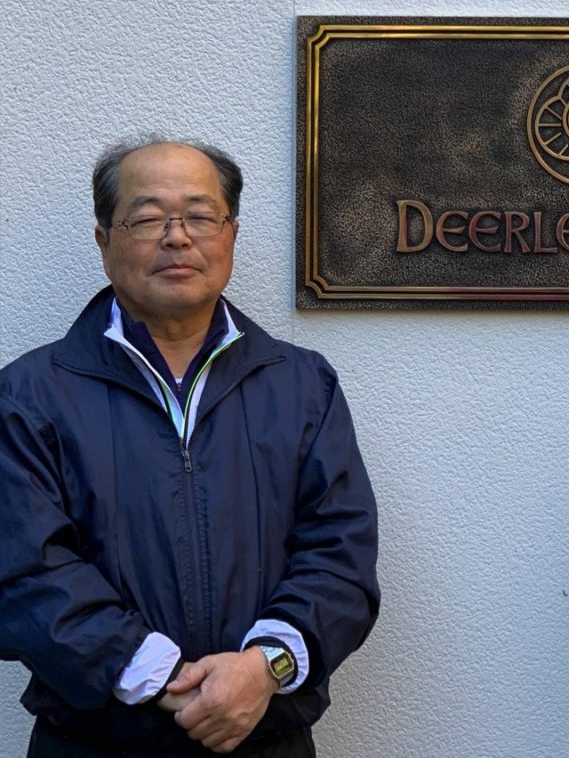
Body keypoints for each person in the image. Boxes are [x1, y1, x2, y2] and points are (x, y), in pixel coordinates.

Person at [0, 139, 380, 757]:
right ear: (104, 242)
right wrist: (161, 676)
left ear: (229, 233)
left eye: (200, 216)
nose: (178, 237)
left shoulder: (302, 384)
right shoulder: (28, 394)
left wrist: (262, 669)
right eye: (148, 218)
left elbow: (340, 553)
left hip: (265, 737)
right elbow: (22, 573)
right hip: (94, 742)